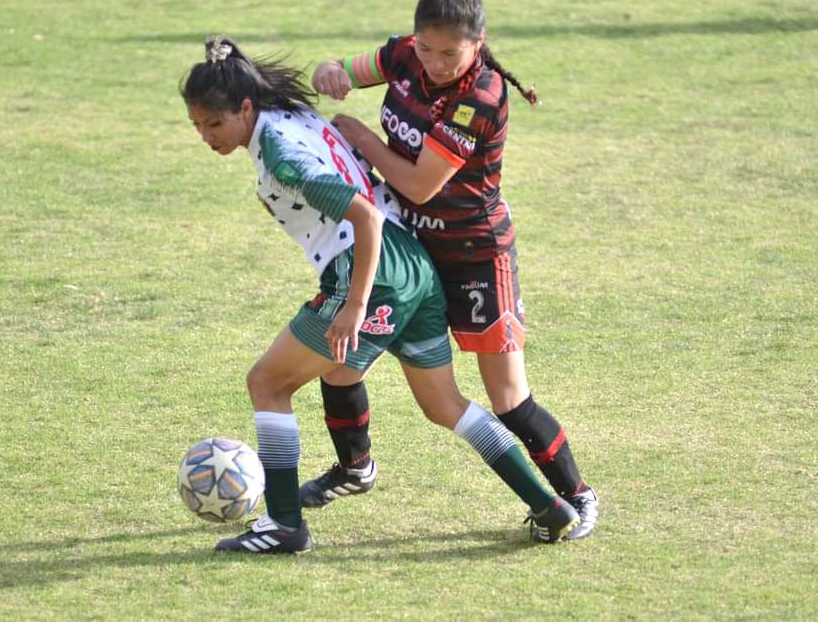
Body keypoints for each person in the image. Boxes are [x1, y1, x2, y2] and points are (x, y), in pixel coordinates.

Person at [180, 35, 580, 554]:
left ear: (246, 107)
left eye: (215, 124)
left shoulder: (280, 155)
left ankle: (283, 525)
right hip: (413, 265)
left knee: (268, 384)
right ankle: (549, 508)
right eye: (197, 126)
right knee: (443, 404)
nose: (207, 137)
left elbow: (363, 217)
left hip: (373, 269)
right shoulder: (291, 117)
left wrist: (353, 305)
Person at [306, 0, 598, 541]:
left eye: (450, 54)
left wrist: (359, 134)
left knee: (508, 399)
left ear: (478, 44)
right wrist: (331, 71)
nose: (435, 64)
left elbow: (418, 183)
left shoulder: (481, 97)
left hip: (474, 256)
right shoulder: (404, 55)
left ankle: (577, 495)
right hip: (410, 251)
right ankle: (353, 469)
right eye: (426, 50)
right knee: (342, 361)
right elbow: (344, 70)